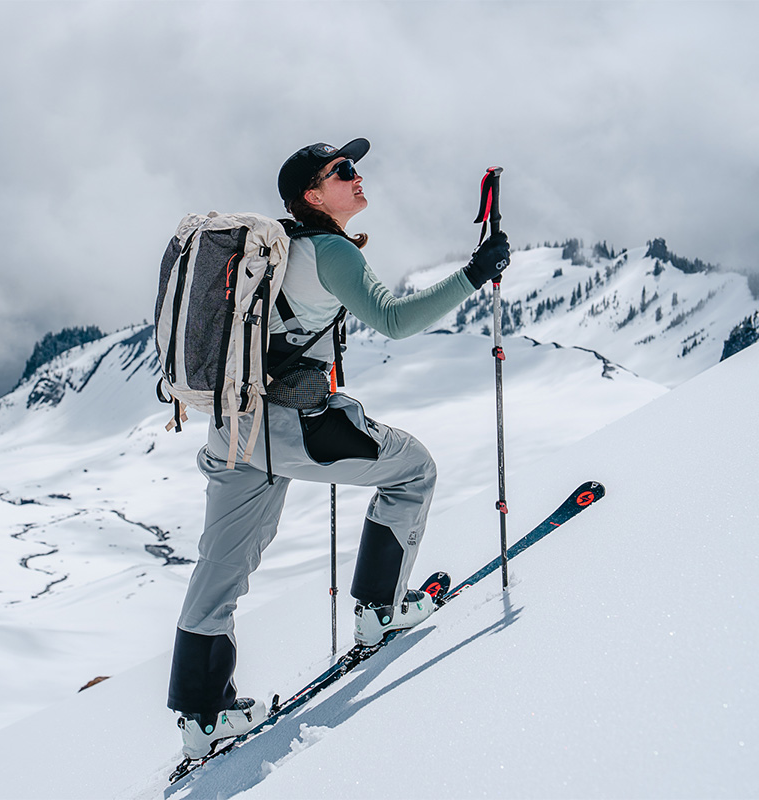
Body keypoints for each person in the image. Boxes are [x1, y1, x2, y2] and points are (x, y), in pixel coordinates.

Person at [167, 138, 511, 758]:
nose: (357, 179)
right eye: (342, 172)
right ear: (312, 195)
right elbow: (396, 321)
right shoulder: (328, 251)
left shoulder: (274, 252)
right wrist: (474, 273)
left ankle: (203, 715)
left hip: (232, 427)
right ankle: (379, 611)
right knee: (413, 470)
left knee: (219, 567)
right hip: (291, 428)